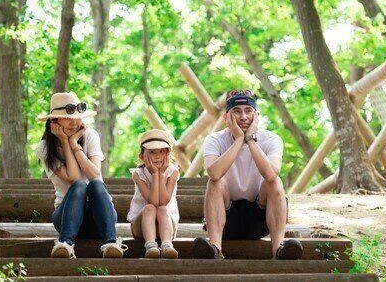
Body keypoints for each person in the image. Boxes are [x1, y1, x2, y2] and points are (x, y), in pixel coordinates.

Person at [192, 89, 303, 260]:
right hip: (226, 220)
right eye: (237, 111)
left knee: (275, 182)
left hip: (260, 219)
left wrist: (250, 139)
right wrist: (238, 140)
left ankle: (278, 250)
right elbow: (214, 173)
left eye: (248, 111)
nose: (243, 117)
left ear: (256, 115)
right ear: (226, 117)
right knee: (215, 183)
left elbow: (271, 175)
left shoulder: (271, 139)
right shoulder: (214, 140)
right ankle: (215, 249)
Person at [37, 92, 127, 259]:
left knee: (96, 184)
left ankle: (111, 243)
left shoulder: (90, 136)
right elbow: (75, 178)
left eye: (78, 118)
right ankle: (65, 244)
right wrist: (65, 143)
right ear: (54, 121)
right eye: (67, 118)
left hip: (99, 217)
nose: (74, 123)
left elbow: (94, 173)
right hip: (66, 218)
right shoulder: (45, 147)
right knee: (79, 185)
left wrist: (74, 144)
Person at [127, 129, 180, 259]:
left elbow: (163, 202)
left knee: (162, 209)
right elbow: (153, 201)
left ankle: (167, 245)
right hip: (140, 226)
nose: (157, 156)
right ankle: (150, 246)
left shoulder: (173, 172)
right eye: (152, 152)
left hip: (166, 226)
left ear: (168, 154)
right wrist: (156, 174)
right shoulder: (138, 174)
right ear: (142, 156)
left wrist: (160, 174)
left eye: (162, 151)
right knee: (150, 208)